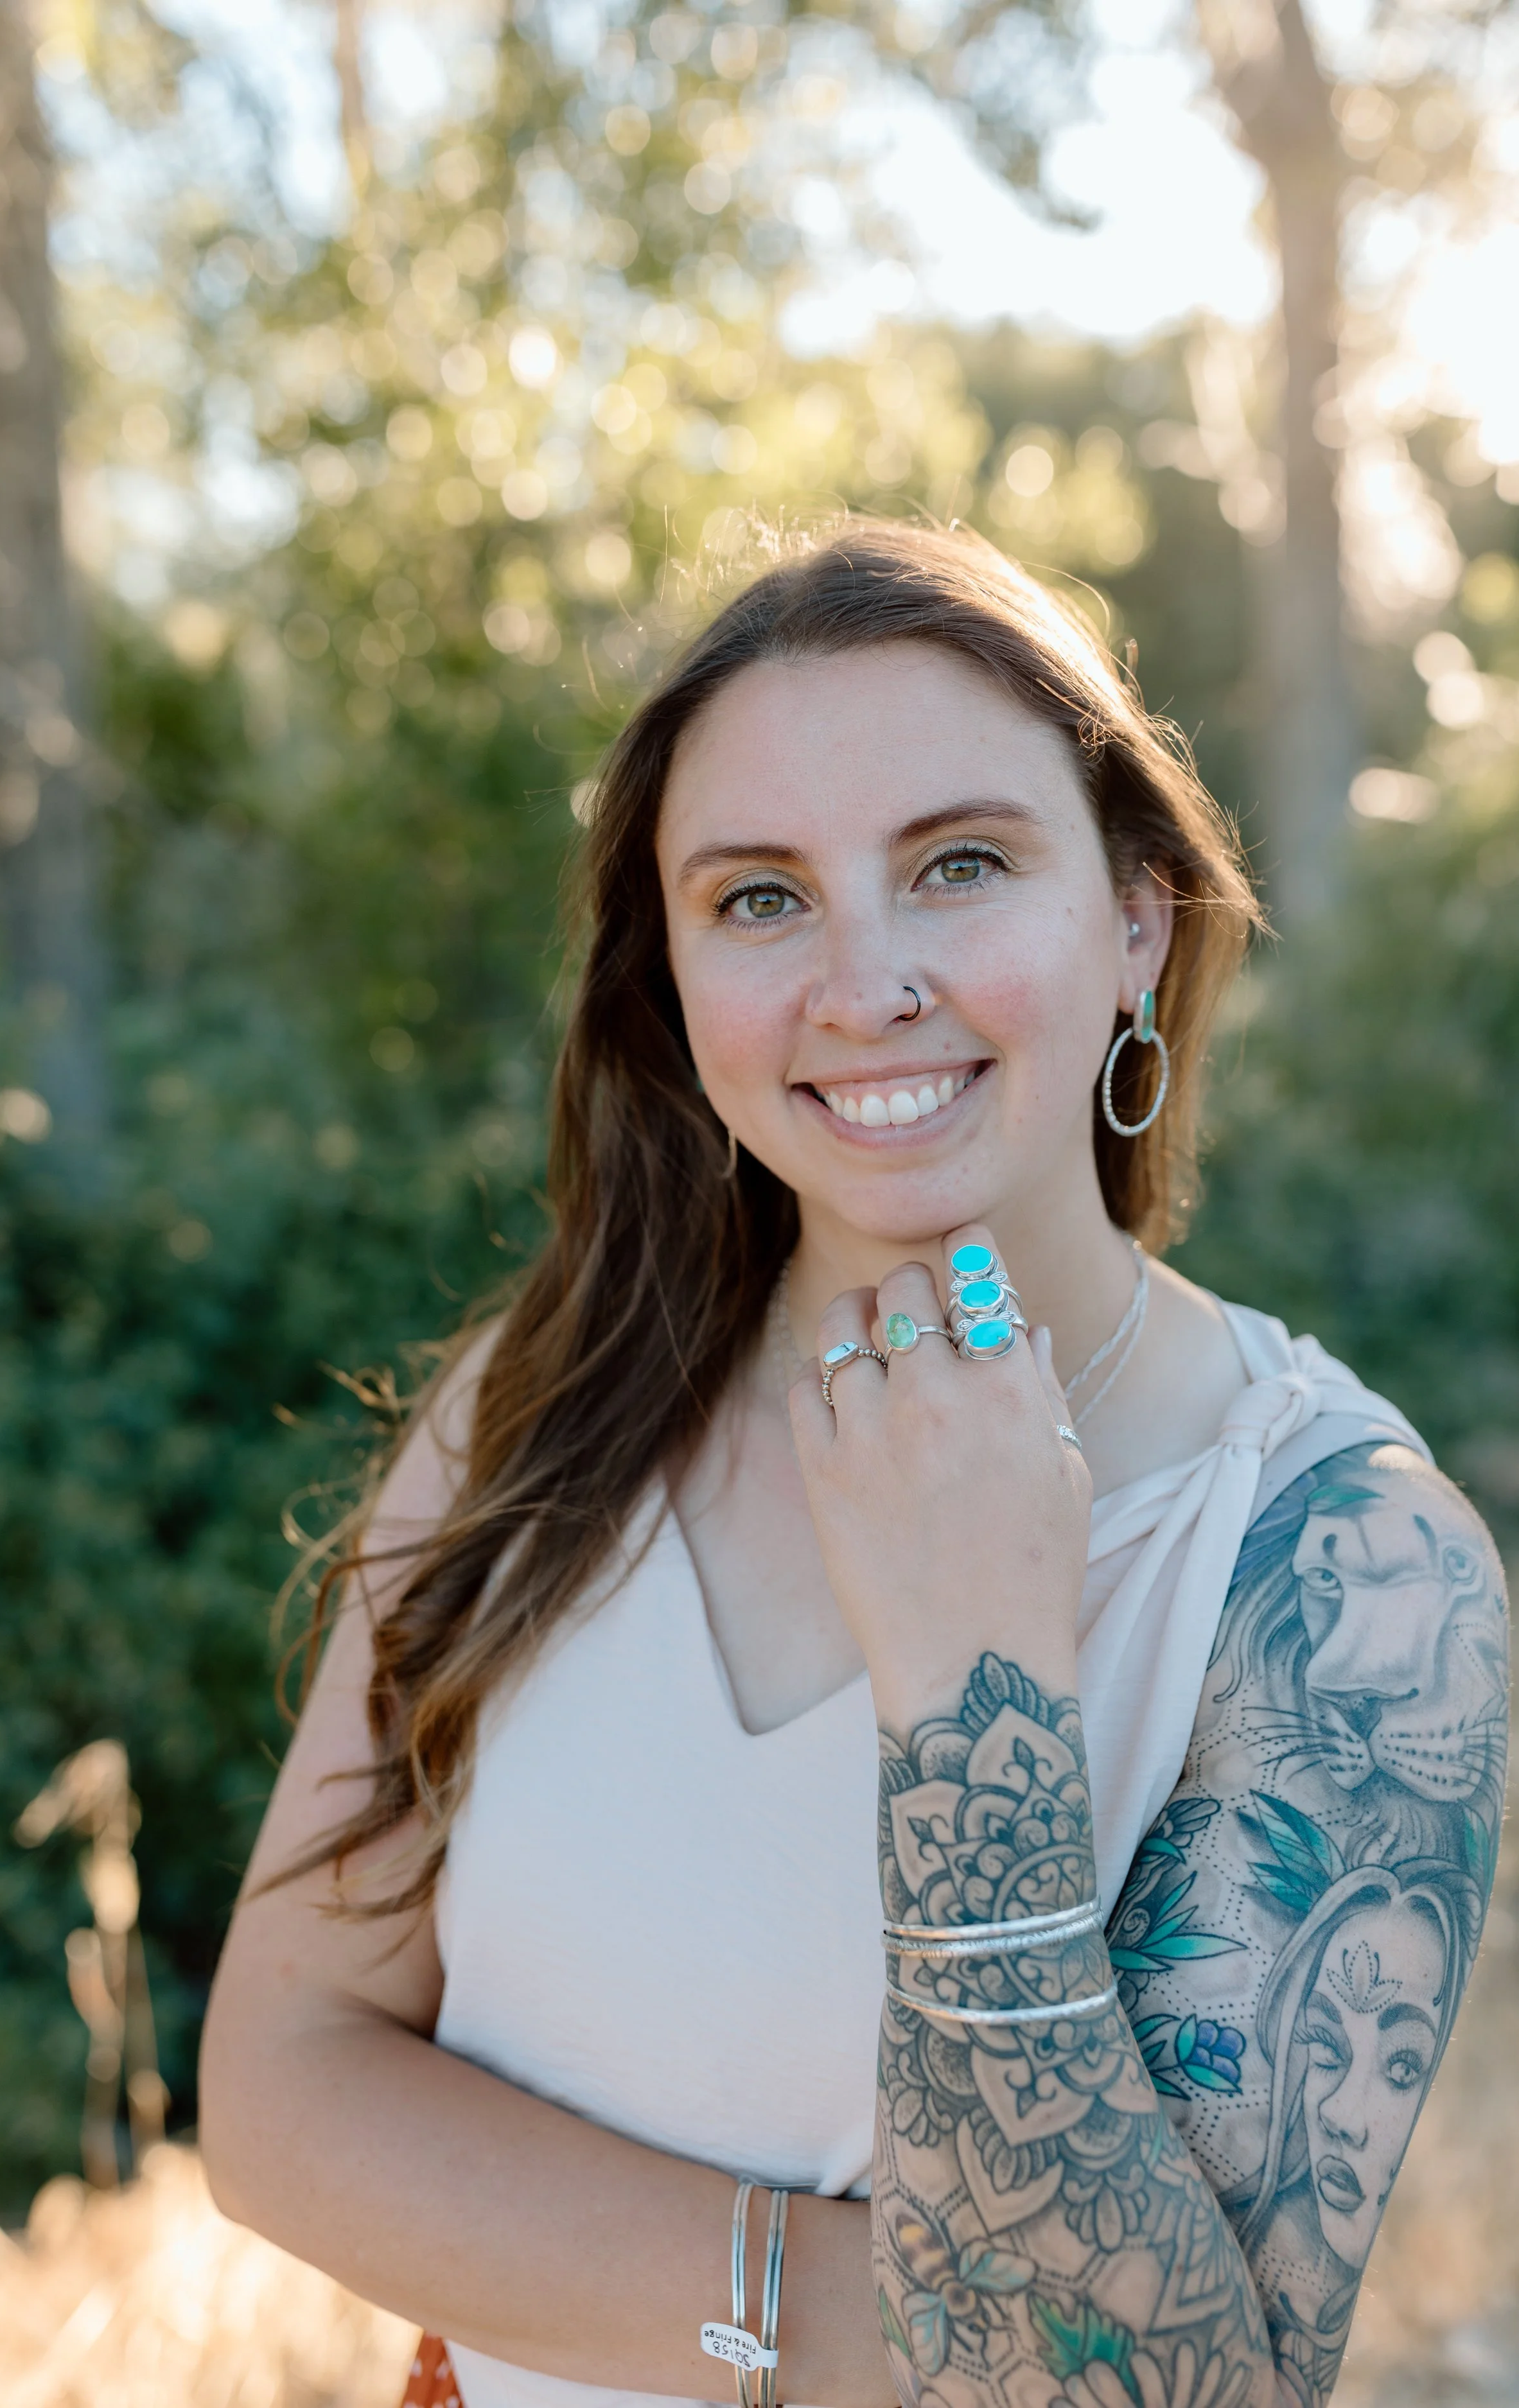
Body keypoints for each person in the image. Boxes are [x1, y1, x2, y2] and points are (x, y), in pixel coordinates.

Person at [198, 520, 1507, 2408]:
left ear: (1133, 913)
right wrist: (869, 2318)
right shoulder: (542, 1401)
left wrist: (974, 1677)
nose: (863, 979)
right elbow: (280, 2086)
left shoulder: (1343, 1571)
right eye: (758, 897)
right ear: (671, 966)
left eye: (957, 864)